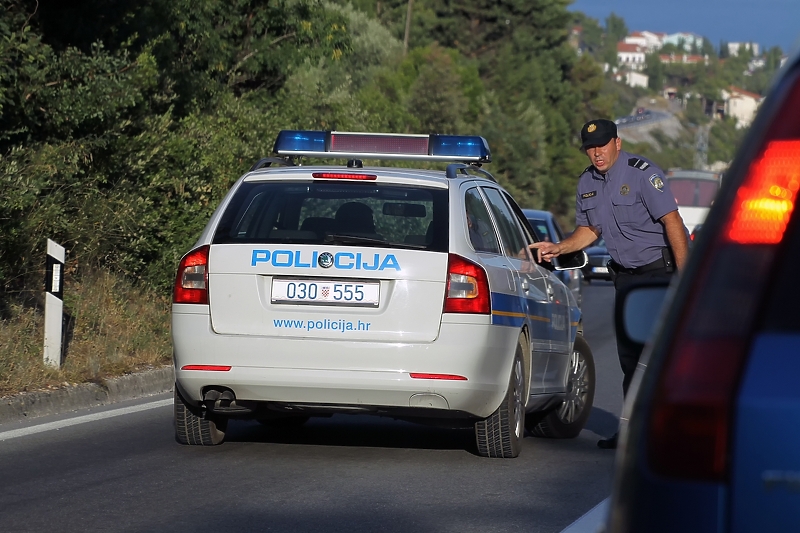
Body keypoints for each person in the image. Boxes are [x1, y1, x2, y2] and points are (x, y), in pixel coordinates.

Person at [530, 118, 689, 450]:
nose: (596, 153)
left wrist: (686, 279)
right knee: (629, 360)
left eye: (602, 145)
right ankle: (632, 433)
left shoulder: (643, 173)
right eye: (590, 148)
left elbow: (673, 223)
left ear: (617, 143)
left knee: (659, 356)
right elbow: (589, 230)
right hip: (626, 280)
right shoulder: (587, 182)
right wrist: (558, 247)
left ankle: (670, 430)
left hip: (658, 276)